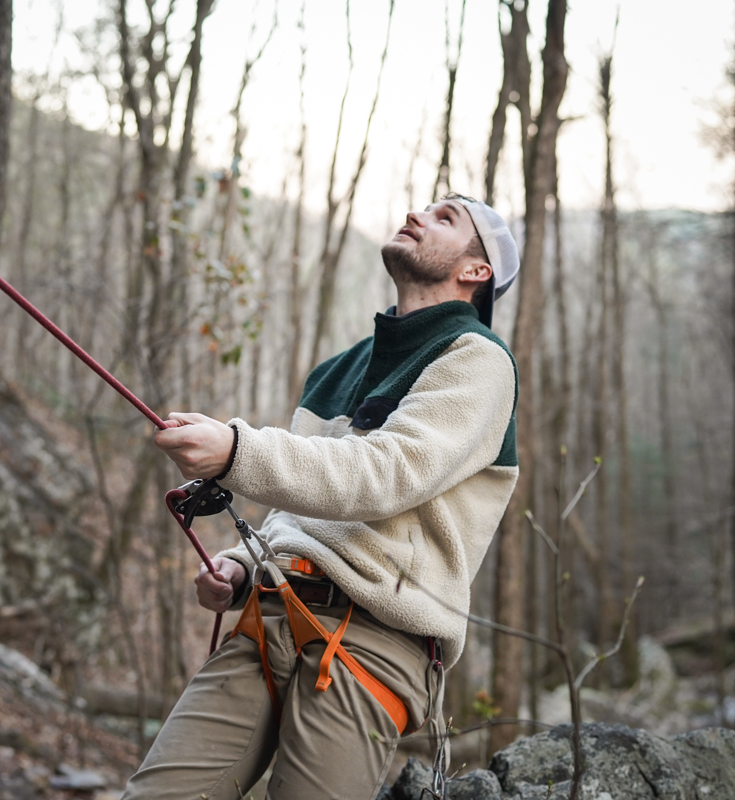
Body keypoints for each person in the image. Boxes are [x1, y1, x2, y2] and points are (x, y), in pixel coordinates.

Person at [126, 194, 520, 800]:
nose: (417, 213)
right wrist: (242, 562)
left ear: (476, 271)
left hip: (375, 639)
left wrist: (236, 452)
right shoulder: (339, 368)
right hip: (268, 616)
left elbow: (389, 474)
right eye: (424, 207)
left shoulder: (477, 361)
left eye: (445, 218)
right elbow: (306, 504)